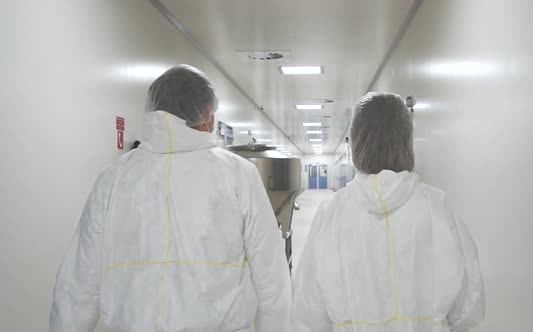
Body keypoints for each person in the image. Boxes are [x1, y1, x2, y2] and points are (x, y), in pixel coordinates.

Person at [50, 65, 291, 332]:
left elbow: (78, 285)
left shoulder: (114, 177)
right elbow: (272, 279)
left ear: (153, 109)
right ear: (208, 114)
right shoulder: (239, 175)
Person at [292, 92, 484, 332]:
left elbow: (310, 309)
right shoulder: (436, 206)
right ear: (406, 141)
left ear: (356, 144)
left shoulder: (333, 212)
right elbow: (468, 305)